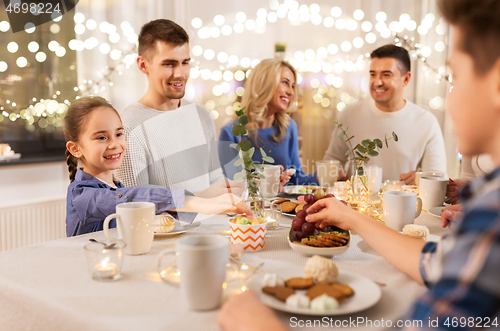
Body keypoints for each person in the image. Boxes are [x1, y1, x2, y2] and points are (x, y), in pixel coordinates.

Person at [219, 0, 500, 328]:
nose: (449, 97)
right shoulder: (486, 202)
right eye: (372, 74)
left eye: (455, 77)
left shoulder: (489, 215)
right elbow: (434, 262)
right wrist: (351, 216)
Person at [64, 96, 251, 237]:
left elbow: (154, 216)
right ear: (75, 148)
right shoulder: (81, 196)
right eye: (101, 137)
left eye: (119, 134)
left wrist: (204, 196)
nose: (114, 144)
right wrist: (199, 202)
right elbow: (129, 199)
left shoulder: (116, 186)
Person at [116, 19, 240, 198]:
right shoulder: (129, 128)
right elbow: (135, 209)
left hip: (218, 225)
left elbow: (216, 182)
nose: (180, 74)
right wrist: (202, 198)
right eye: (169, 64)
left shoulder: (202, 116)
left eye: (185, 62)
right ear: (143, 65)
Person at [324, 45, 447, 185]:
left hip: (403, 206)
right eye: (373, 74)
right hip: (356, 204)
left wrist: (422, 179)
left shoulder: (426, 122)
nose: (377, 82)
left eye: (386, 75)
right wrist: (335, 173)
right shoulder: (350, 114)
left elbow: (438, 178)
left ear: (406, 79)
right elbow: (332, 161)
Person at [219, 58, 318, 186]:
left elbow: (296, 179)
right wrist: (266, 182)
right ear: (264, 83)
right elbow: (228, 187)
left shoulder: (288, 127)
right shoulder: (231, 132)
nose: (291, 92)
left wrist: (320, 176)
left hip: (281, 206)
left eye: (293, 86)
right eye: (285, 83)